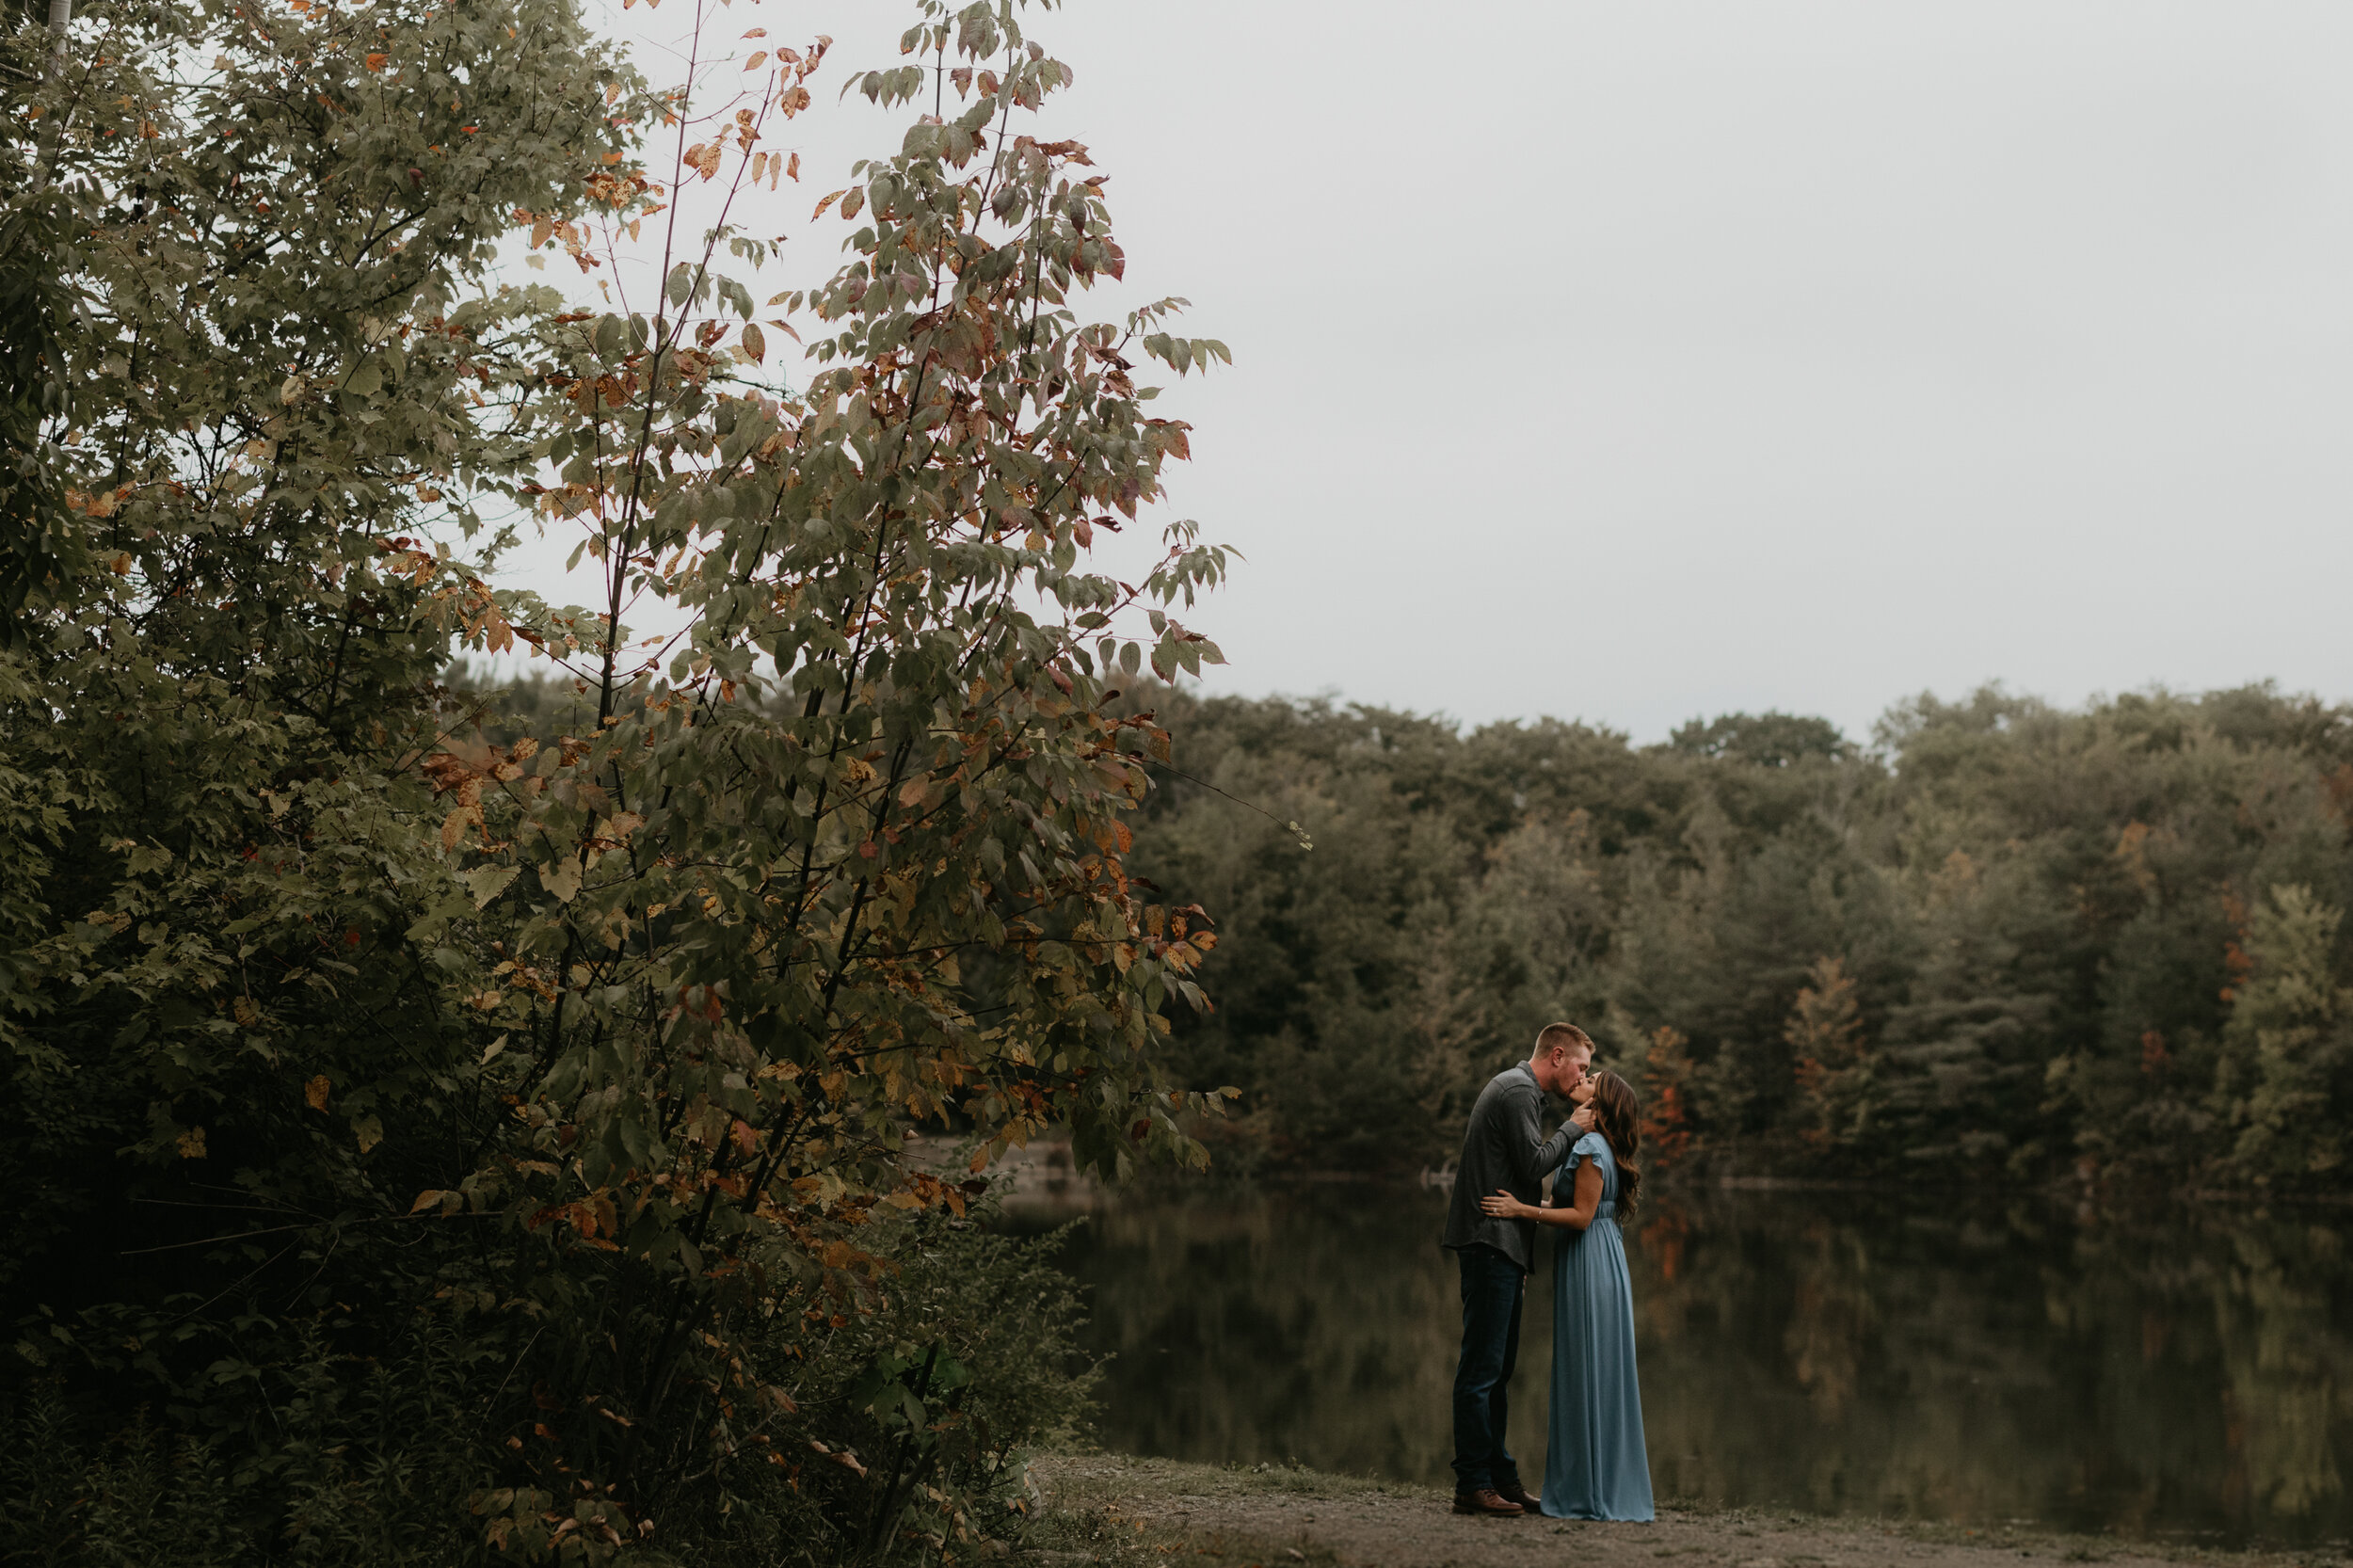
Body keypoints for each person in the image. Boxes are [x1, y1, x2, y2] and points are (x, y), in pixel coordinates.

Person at [1480, 1069, 1655, 1523]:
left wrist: (1521, 1211)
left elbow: (1580, 1216)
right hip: (1598, 1260)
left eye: (1592, 1077)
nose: (1583, 1077)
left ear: (1602, 1101)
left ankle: (1589, 1491)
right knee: (1591, 1372)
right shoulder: (1597, 1145)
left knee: (1587, 1371)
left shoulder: (1591, 1147)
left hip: (1590, 1262)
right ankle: (1590, 1483)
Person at [1439, 1022, 1593, 1517]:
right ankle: (1472, 1485)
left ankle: (1500, 1479)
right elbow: (1532, 1165)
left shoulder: (1523, 1091)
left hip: (1501, 1247)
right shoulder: (1517, 1090)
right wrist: (1576, 1127)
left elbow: (1518, 1176)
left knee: (1498, 1371)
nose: (1583, 1076)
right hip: (1488, 1243)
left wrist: (1519, 1255)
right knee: (1481, 1371)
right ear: (1556, 1055)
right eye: (1581, 1066)